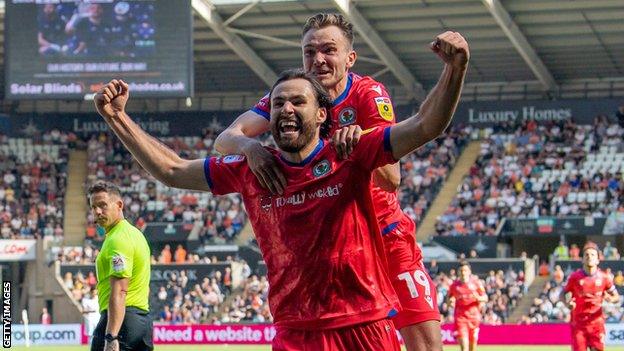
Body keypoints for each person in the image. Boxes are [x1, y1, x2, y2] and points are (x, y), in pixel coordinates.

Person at [94, 33, 468, 349]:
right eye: (277, 104)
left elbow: (424, 126)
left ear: (322, 114)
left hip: (364, 325)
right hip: (295, 332)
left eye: (298, 102)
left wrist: (455, 69)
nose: (286, 109)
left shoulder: (349, 152)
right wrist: (117, 117)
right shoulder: (250, 170)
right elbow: (172, 170)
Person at [213, 13, 463, 350]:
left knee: (427, 346)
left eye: (328, 50)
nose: (317, 59)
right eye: (309, 52)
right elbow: (225, 139)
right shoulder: (293, 99)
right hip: (338, 247)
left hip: (387, 236)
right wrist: (249, 147)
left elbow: (391, 179)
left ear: (350, 58)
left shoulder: (367, 92)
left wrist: (360, 143)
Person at [88, 181, 153, 351]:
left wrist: (111, 336)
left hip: (121, 322)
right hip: (142, 320)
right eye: (93, 207)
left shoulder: (118, 239)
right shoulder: (135, 234)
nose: (97, 211)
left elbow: (120, 291)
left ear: (119, 205)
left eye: (102, 205)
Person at [565, 242, 620, 351]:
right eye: (586, 255)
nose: (589, 257)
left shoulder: (605, 278)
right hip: (579, 325)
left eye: (593, 255)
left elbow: (616, 297)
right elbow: (564, 293)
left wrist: (611, 299)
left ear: (598, 260)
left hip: (597, 325)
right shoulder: (575, 277)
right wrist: (568, 302)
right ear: (582, 259)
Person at [447, 261, 488, 351]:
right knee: (464, 348)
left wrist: (479, 298)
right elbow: (449, 300)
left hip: (474, 318)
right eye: (461, 271)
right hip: (460, 318)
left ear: (469, 272)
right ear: (458, 272)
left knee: (472, 348)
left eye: (465, 270)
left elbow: (485, 297)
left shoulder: (476, 283)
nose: (463, 273)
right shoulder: (454, 286)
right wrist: (450, 302)